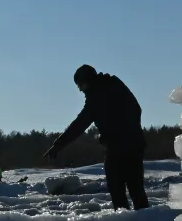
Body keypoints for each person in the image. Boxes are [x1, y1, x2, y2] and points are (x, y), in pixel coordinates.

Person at [44, 64, 148, 210]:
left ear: (87, 81)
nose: (80, 89)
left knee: (118, 189)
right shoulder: (114, 84)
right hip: (134, 144)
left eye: (80, 85)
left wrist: (58, 145)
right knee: (136, 189)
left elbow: (79, 124)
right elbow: (137, 109)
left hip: (118, 147)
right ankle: (144, 220)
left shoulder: (96, 97)